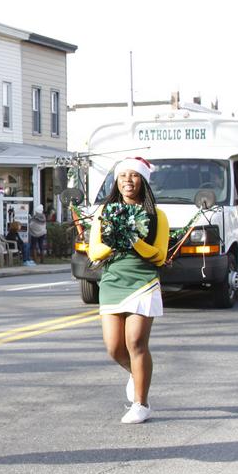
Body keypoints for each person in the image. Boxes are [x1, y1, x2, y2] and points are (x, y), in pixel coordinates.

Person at [88, 157, 168, 424]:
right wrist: (115, 239)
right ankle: (137, 374)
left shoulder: (157, 216)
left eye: (134, 176)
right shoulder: (104, 212)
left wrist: (134, 240)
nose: (128, 181)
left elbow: (159, 256)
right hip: (112, 282)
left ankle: (141, 404)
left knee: (135, 342)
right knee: (114, 348)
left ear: (143, 180)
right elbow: (94, 252)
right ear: (116, 181)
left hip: (143, 282)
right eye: (123, 176)